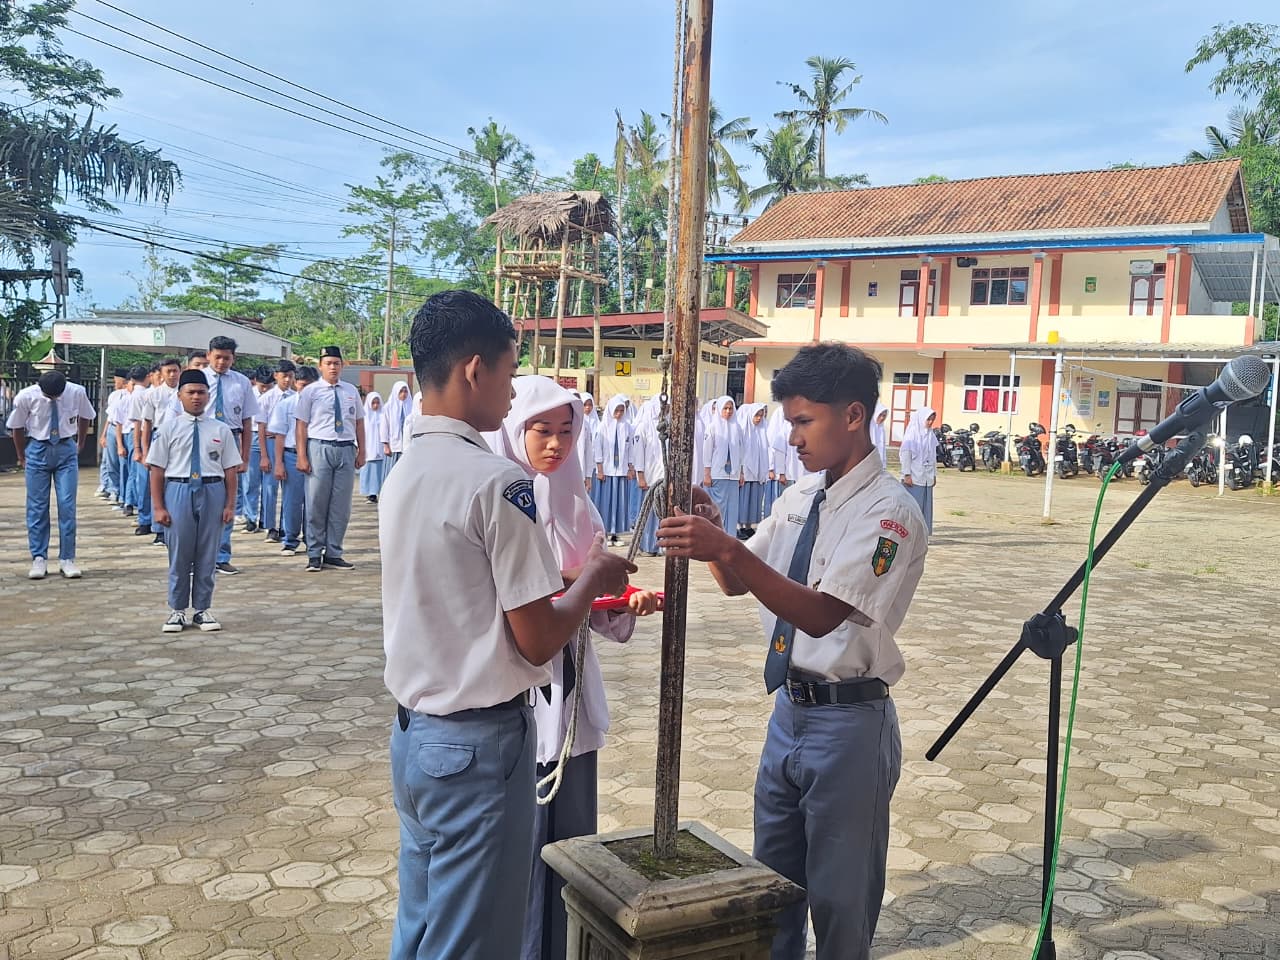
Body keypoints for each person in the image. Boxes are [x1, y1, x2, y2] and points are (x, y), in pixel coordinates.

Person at [380, 289, 635, 960]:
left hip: (416, 733)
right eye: (510, 370)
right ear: (475, 369)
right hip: (479, 744)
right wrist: (593, 580)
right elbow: (538, 637)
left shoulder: (406, 469)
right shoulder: (497, 483)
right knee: (473, 939)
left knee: (423, 927)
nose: (512, 389)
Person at [657, 343, 928, 960]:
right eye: (789, 423)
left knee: (840, 898)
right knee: (773, 884)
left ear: (853, 415)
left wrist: (728, 549)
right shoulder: (802, 497)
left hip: (848, 721)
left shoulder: (889, 511)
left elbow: (823, 613)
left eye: (805, 421)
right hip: (790, 714)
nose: (794, 438)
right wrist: (718, 534)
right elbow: (739, 580)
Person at [483, 376, 658, 960]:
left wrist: (622, 603)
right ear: (516, 431)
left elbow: (594, 606)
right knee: (523, 845)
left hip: (572, 692)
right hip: (520, 690)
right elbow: (501, 598)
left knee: (573, 836)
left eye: (566, 431)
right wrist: (575, 582)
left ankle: (563, 947)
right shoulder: (498, 501)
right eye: (541, 431)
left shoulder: (580, 508)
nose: (555, 444)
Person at [147, 369, 241, 633]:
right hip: (178, 489)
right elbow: (156, 470)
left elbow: (230, 470)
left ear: (208, 396)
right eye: (191, 392)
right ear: (180, 396)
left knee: (208, 553)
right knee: (179, 552)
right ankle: (177, 610)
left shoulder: (221, 429)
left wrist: (229, 505)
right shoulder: (168, 428)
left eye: (201, 392)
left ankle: (202, 609)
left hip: (212, 490)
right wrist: (159, 507)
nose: (196, 397)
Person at [7, 370, 95, 579]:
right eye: (49, 396)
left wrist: (80, 443)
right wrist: (21, 456)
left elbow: (86, 416)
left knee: (67, 504)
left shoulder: (77, 392)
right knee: (37, 506)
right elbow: (17, 427)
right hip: (38, 448)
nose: (53, 399)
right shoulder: (26, 397)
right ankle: (39, 558)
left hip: (65, 448)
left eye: (57, 395)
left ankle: (67, 558)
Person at [295, 345, 365, 571]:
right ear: (320, 366)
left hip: (345, 448)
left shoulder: (350, 391)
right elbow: (301, 425)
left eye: (336, 363)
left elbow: (359, 422)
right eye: (328, 363)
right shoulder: (311, 391)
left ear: (342, 366)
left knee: (340, 506)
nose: (333, 367)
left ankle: (334, 552)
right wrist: (302, 455)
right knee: (316, 501)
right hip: (319, 447)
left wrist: (362, 450)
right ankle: (314, 553)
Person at [205, 336, 258, 575]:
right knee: (203, 495)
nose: (221, 362)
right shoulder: (197, 378)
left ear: (233, 358)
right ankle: (200, 557)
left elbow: (247, 421)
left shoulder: (242, 382)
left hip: (231, 438)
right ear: (208, 355)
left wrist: (244, 457)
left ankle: (221, 555)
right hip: (203, 438)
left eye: (226, 358)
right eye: (217, 357)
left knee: (228, 497)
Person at [269, 365, 316, 557]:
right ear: (296, 384)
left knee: (314, 501)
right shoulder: (285, 405)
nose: (305, 389)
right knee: (292, 501)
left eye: (310, 385)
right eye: (302, 385)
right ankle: (290, 540)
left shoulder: (320, 404)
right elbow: (279, 435)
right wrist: (279, 463)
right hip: (291, 454)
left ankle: (312, 540)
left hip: (315, 454)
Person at [140, 358, 183, 544]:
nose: (172, 375)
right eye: (168, 371)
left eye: (175, 370)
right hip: (159, 437)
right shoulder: (154, 394)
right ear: (161, 373)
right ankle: (158, 529)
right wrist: (145, 451)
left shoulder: (186, 392)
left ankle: (176, 526)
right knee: (157, 483)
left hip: (181, 437)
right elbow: (147, 424)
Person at [256, 359, 296, 543]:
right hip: (271, 442)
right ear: (276, 376)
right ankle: (270, 526)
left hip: (290, 444)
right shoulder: (267, 398)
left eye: (290, 376)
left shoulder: (296, 397)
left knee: (289, 488)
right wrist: (264, 455)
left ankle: (286, 527)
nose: (287, 380)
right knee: (270, 487)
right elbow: (261, 427)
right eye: (284, 376)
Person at [593, 395, 633, 545]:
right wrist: (600, 469)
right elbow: (598, 449)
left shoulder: (627, 427)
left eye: (622, 410)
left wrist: (630, 467)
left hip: (621, 472)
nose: (619, 413)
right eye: (617, 410)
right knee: (606, 503)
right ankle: (605, 532)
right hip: (607, 472)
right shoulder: (602, 427)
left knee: (619, 504)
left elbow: (630, 449)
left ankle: (616, 534)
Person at [702, 395, 744, 534]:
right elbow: (707, 452)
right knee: (717, 509)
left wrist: (741, 472)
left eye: (730, 408)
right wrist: (707, 474)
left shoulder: (737, 428)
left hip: (733, 475)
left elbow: (741, 451)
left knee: (732, 510)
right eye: (725, 408)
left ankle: (729, 538)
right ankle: (714, 537)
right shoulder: (712, 427)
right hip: (717, 474)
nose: (728, 411)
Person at [242, 366, 275, 534]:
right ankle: (250, 517)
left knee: (269, 483)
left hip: (271, 437)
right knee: (250, 480)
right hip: (253, 435)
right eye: (262, 386)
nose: (265, 390)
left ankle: (266, 519)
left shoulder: (277, 394)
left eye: (269, 387)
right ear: (256, 382)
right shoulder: (249, 394)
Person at [898, 406, 937, 534]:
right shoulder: (912, 435)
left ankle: (922, 534)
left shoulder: (931, 435)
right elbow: (906, 456)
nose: (930, 422)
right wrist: (906, 474)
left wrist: (934, 475)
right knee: (913, 508)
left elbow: (933, 457)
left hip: (927, 477)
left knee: (925, 508)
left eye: (932, 420)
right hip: (914, 477)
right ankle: (909, 534)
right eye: (928, 419)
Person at [738, 402, 771, 539]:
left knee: (754, 500)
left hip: (758, 472)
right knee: (743, 500)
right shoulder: (743, 430)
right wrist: (740, 471)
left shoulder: (762, 430)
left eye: (761, 416)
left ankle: (748, 526)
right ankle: (739, 526)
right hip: (745, 471)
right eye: (756, 415)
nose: (759, 418)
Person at [99, 369, 128, 503]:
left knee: (122, 462)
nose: (115, 383)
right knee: (110, 461)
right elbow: (110, 417)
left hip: (125, 429)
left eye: (117, 381)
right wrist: (104, 434)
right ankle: (113, 489)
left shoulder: (130, 395)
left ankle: (120, 492)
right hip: (113, 427)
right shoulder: (114, 395)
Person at [380, 379, 412, 474]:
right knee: (392, 471)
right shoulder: (388, 407)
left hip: (407, 446)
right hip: (394, 446)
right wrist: (386, 445)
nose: (403, 394)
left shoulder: (410, 406)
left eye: (405, 391)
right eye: (401, 391)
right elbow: (384, 426)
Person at [361, 390, 386, 503]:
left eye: (377, 403)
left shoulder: (383, 415)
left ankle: (376, 493)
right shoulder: (364, 416)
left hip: (380, 449)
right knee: (368, 472)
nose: (376, 405)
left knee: (378, 473)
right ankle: (369, 493)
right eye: (373, 403)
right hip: (368, 448)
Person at [870, 402, 889, 468]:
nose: (882, 418)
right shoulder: (868, 427)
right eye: (880, 415)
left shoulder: (881, 428)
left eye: (884, 416)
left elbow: (882, 448)